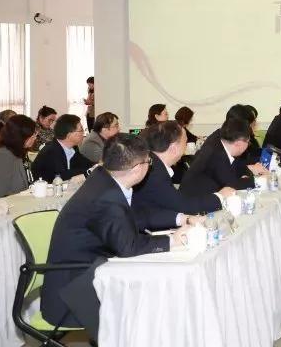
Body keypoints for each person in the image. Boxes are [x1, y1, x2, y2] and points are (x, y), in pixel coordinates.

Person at [42, 134, 193, 336]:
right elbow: (128, 247)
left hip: (90, 269)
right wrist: (172, 240)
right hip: (76, 289)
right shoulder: (106, 197)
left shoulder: (105, 178)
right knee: (157, 304)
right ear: (138, 169)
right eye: (149, 162)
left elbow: (136, 216)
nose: (150, 166)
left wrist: (181, 219)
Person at [134, 121, 233, 220]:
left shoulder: (154, 163)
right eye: (185, 142)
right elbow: (184, 207)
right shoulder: (153, 171)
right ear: (173, 148)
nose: (186, 147)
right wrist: (220, 196)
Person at [179, 118, 268, 196]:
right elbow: (232, 184)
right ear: (239, 143)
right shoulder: (217, 154)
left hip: (206, 193)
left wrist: (249, 171)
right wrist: (259, 180)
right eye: (248, 142)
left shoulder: (220, 139)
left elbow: (236, 166)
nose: (248, 145)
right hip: (195, 200)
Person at [0, 115, 38, 200]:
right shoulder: (1, 156)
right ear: (19, 137)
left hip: (18, 200)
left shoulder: (17, 151)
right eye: (32, 136)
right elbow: (0, 194)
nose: (34, 139)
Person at [32, 114, 94, 183]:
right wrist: (88, 172)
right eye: (81, 130)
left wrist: (96, 167)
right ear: (69, 134)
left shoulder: (73, 149)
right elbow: (62, 176)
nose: (83, 133)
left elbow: (86, 164)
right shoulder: (50, 151)